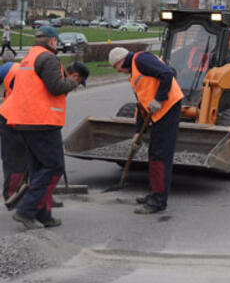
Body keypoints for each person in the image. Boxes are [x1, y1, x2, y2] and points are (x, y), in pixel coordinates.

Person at [0, 26, 88, 230]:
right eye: (56, 41)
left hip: (26, 121)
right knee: (53, 166)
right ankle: (26, 210)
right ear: (52, 41)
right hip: (42, 121)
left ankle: (43, 214)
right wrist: (71, 83)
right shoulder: (49, 59)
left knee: (38, 168)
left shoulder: (30, 57)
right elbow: (55, 87)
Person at [108, 46, 184, 214]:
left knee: (160, 155)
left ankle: (158, 200)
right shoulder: (134, 73)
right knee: (154, 153)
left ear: (120, 61)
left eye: (116, 67)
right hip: (158, 111)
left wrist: (159, 99)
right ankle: (155, 192)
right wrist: (137, 132)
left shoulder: (141, 59)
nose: (118, 71)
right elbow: (142, 104)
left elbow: (167, 74)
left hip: (168, 108)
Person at [0, 61, 27, 209]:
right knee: (14, 160)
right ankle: (10, 196)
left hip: (14, 116)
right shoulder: (12, 69)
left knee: (21, 160)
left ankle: (17, 194)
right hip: (12, 119)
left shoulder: (12, 68)